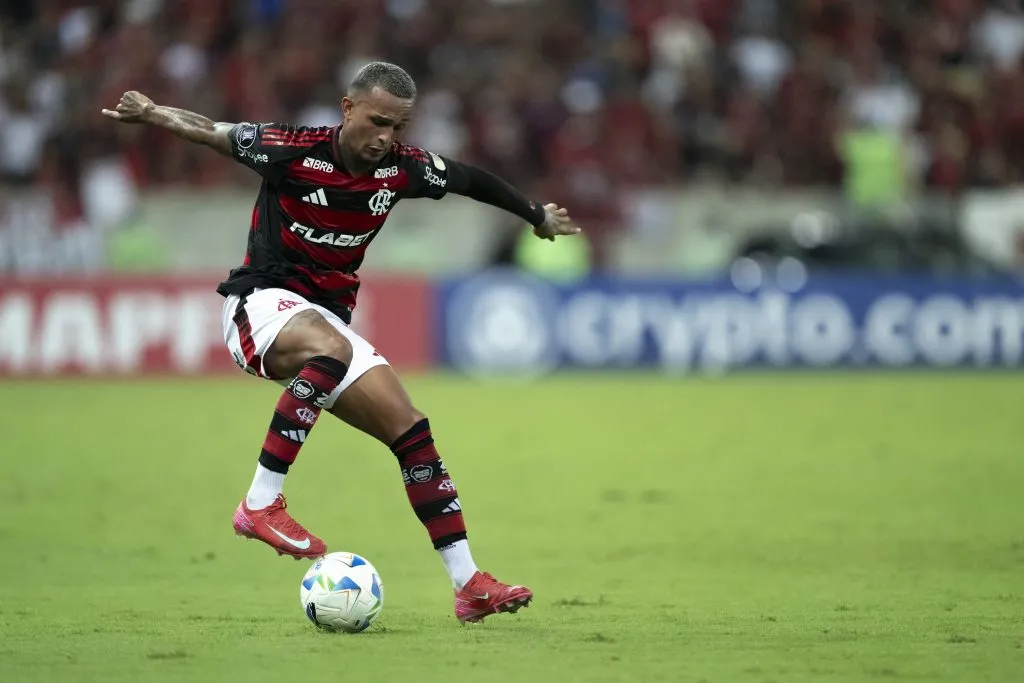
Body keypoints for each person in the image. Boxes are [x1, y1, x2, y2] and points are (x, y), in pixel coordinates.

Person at [102, 61, 580, 625]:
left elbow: (471, 179)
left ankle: (468, 584)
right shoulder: (289, 149)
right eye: (377, 121)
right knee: (334, 350)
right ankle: (259, 503)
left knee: (410, 428)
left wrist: (535, 216)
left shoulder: (404, 170)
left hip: (325, 323)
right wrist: (153, 113)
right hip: (258, 305)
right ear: (347, 108)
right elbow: (210, 129)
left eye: (398, 127)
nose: (386, 138)